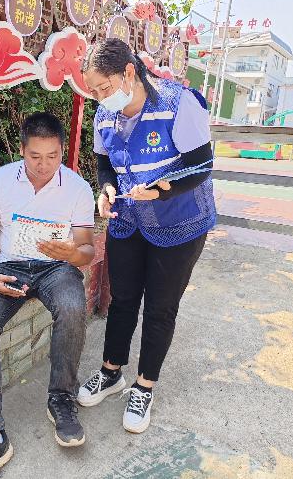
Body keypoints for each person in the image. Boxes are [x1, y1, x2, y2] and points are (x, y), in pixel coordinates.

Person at [76, 39, 216, 434]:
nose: (101, 98)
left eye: (105, 87)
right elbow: (104, 163)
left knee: (160, 306)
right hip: (129, 218)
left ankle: (144, 386)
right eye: (93, 91)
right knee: (122, 298)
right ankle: (111, 372)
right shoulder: (105, 114)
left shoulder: (178, 104)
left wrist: (162, 189)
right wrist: (105, 190)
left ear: (129, 73)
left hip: (179, 221)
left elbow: (201, 165)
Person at [0, 113, 96, 479]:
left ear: (62, 150)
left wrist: (71, 253)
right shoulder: (1, 180)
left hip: (56, 268)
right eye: (35, 156)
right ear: (22, 150)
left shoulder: (78, 189)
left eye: (53, 156)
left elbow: (87, 250)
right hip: (10, 265)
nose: (44, 165)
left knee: (72, 306)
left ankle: (61, 397)